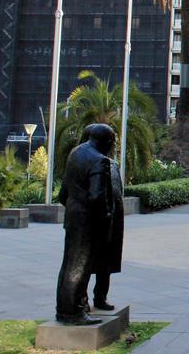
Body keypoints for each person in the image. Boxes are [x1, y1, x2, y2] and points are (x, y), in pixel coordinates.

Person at [55, 124, 114, 325]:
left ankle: (63, 310)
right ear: (106, 142)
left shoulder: (75, 154)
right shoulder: (99, 161)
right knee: (80, 266)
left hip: (73, 216)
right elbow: (97, 195)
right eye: (112, 142)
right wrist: (105, 215)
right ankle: (75, 313)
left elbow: (63, 194)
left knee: (69, 264)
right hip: (88, 221)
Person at [91, 153, 124, 311]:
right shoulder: (90, 163)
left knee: (107, 264)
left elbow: (119, 190)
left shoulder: (112, 164)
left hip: (113, 216)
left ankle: (100, 297)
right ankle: (80, 299)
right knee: (86, 264)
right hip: (95, 218)